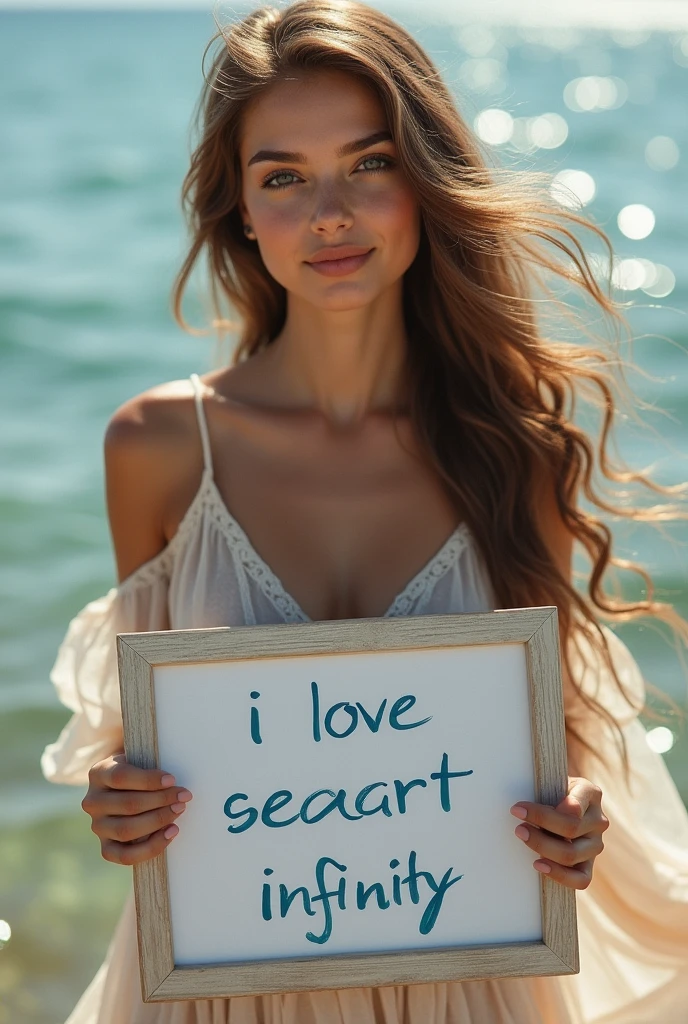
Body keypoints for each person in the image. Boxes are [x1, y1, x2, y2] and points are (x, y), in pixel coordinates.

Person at [41, 1, 688, 1021]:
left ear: (425, 185)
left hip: (470, 989)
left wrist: (574, 821)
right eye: (283, 177)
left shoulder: (510, 449)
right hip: (223, 990)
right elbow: (138, 748)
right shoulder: (159, 450)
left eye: (369, 163)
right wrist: (121, 800)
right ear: (240, 212)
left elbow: (555, 756)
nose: (328, 213)